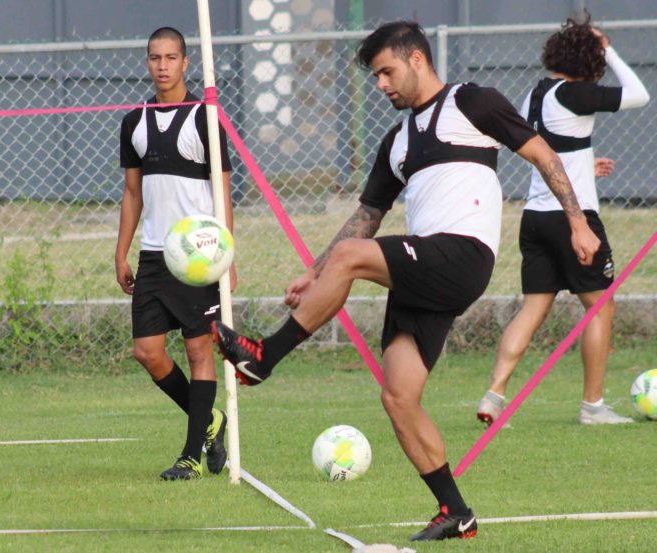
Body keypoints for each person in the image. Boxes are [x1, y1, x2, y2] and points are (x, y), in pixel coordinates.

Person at [212, 21, 600, 541]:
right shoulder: (396, 142)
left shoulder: (473, 102)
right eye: (375, 77)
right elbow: (366, 216)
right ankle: (455, 512)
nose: (381, 85)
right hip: (424, 271)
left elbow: (542, 154)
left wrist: (577, 221)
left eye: (387, 72)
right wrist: (314, 272)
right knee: (398, 396)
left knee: (350, 258)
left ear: (417, 59)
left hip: (462, 255)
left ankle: (263, 359)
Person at [476, 17, 650, 427]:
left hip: (535, 219)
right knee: (600, 308)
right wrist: (609, 49)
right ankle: (593, 407)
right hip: (574, 219)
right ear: (587, 60)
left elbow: (549, 151)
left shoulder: (536, 95)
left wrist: (586, 164)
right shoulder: (575, 93)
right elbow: (639, 95)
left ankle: (493, 394)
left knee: (533, 308)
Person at [116, 26, 236, 480]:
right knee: (147, 351)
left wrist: (228, 255)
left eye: (171, 57)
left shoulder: (205, 118)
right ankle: (210, 421)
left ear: (186, 63)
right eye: (154, 58)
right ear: (147, 63)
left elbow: (222, 190)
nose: (162, 65)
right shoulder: (135, 121)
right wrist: (120, 253)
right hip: (153, 254)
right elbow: (132, 192)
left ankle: (189, 456)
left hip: (200, 254)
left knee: (198, 350)